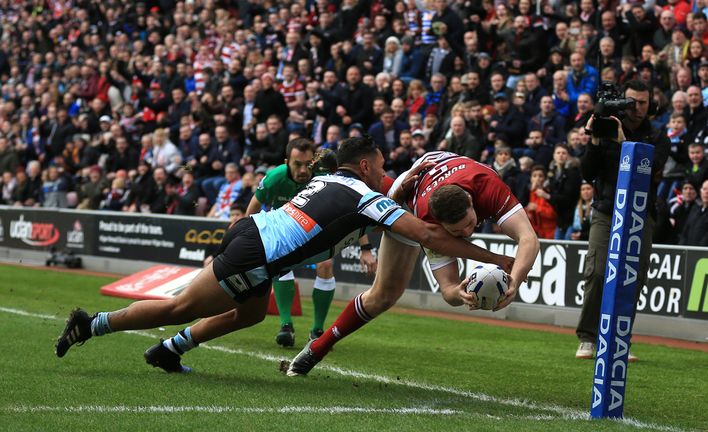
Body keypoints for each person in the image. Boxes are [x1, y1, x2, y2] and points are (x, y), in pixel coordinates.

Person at [56, 137, 513, 373]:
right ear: (368, 165)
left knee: (250, 316)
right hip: (255, 254)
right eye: (383, 165)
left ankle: (169, 350)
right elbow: (429, 237)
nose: (387, 173)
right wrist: (499, 260)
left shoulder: (334, 183)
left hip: (257, 245)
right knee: (178, 307)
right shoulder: (363, 195)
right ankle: (90, 324)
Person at [285, 150, 540, 376]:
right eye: (457, 231)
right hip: (410, 197)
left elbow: (529, 238)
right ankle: (319, 346)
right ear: (440, 225)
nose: (467, 233)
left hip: (445, 170)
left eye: (470, 225)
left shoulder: (488, 186)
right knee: (383, 296)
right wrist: (461, 293)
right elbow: (448, 291)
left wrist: (513, 283)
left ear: (473, 204)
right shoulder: (426, 218)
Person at [244, 138, 377, 346]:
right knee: (281, 264)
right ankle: (286, 326)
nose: (303, 170)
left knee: (325, 265)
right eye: (297, 164)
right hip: (283, 234)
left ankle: (317, 331)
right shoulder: (274, 178)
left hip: (316, 234)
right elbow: (252, 208)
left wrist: (366, 248)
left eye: (308, 164)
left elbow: (351, 212)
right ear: (287, 161)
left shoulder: (326, 177)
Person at [575, 80, 671, 361]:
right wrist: (594, 140)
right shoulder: (604, 128)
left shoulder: (657, 136)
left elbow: (647, 167)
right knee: (598, 271)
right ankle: (588, 337)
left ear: (651, 104)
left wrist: (623, 143)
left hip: (640, 214)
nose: (637, 108)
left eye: (643, 102)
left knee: (633, 278)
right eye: (632, 102)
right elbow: (587, 172)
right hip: (606, 210)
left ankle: (618, 340)